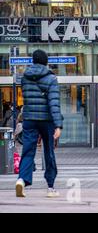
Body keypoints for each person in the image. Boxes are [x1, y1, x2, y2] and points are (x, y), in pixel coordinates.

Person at [15, 50, 63, 198]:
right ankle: (50, 187)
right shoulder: (51, 78)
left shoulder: (25, 78)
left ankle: (22, 180)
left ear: (33, 61)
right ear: (46, 61)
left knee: (28, 151)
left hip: (29, 119)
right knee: (48, 151)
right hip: (46, 120)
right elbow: (54, 103)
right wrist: (58, 125)